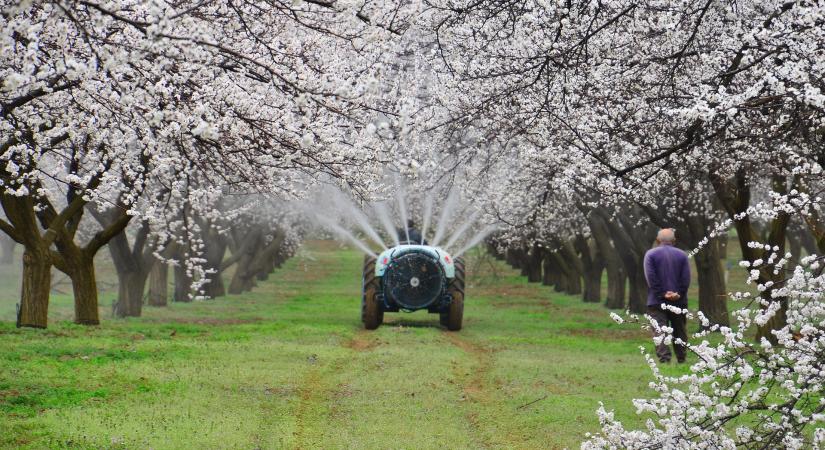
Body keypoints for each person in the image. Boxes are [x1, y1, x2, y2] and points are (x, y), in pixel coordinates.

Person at [643, 228, 691, 363]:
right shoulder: (682, 255)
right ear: (674, 241)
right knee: (679, 331)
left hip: (656, 301)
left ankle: (665, 359)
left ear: (657, 240)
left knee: (659, 330)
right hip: (679, 301)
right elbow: (686, 278)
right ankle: (681, 358)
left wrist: (662, 293)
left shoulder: (650, 255)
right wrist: (678, 294)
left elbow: (650, 277)